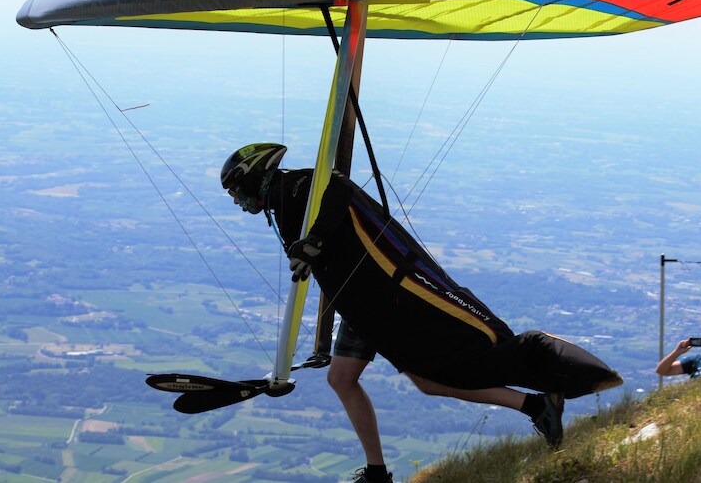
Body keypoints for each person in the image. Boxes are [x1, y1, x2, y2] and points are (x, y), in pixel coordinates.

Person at [221, 143, 623, 478]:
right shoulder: (283, 207)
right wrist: (321, 333)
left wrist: (316, 239)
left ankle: (537, 397)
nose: (237, 203)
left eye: (236, 191)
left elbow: (338, 190)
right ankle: (379, 471)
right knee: (343, 379)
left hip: (384, 299)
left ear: (254, 174)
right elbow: (323, 265)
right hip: (359, 306)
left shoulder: (295, 186)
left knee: (431, 377)